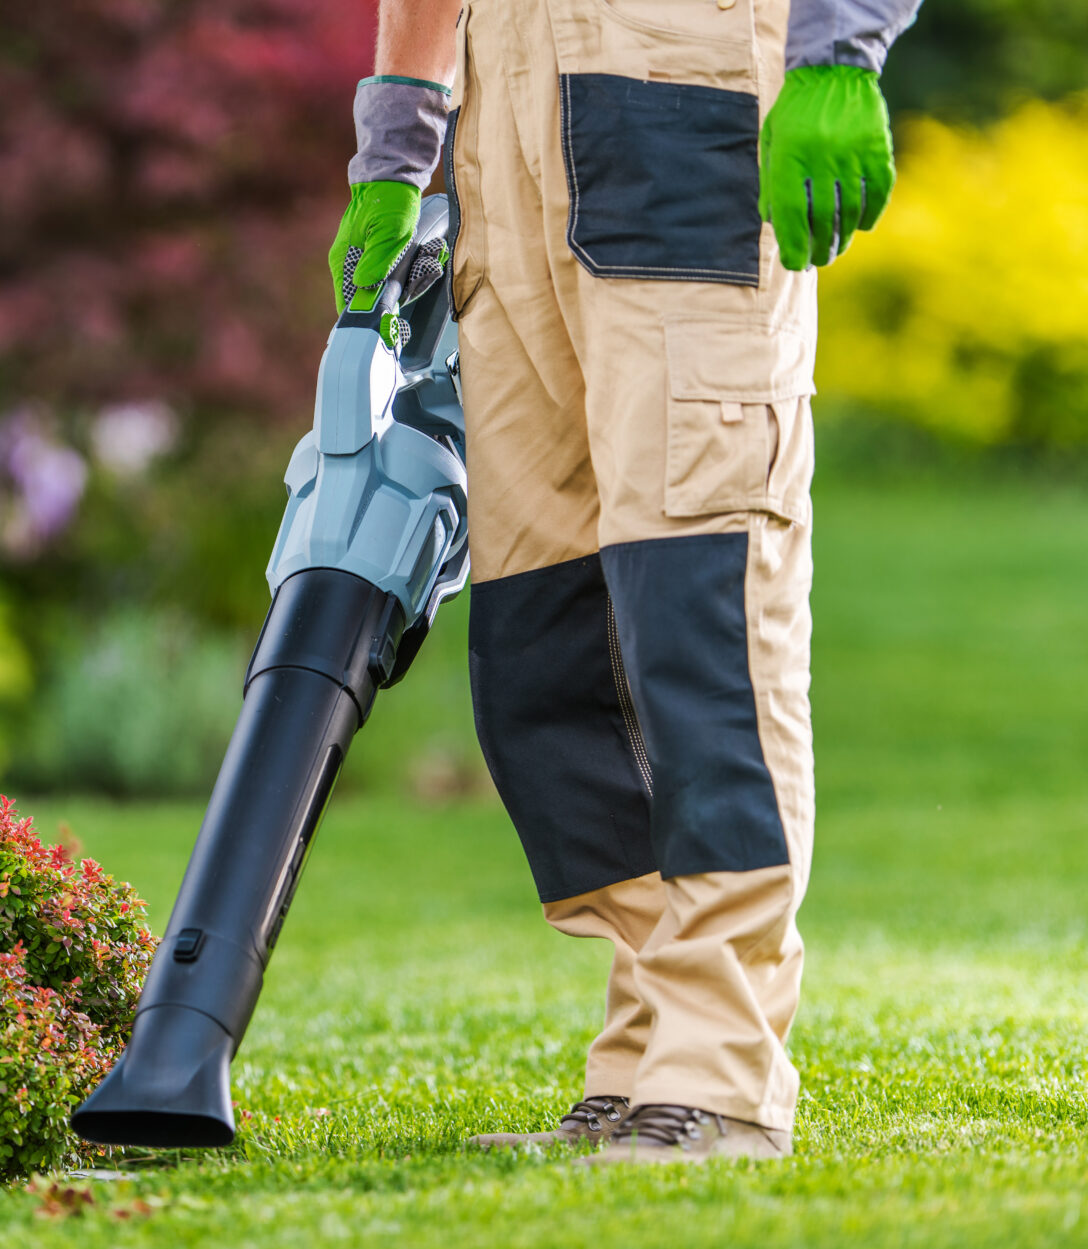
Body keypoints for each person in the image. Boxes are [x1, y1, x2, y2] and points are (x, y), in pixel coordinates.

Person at [329, 0, 920, 1163]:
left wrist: (839, 51)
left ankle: (720, 1068)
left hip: (685, 97)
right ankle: (648, 1048)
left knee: (699, 608)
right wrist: (399, 137)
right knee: (543, 637)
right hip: (512, 128)